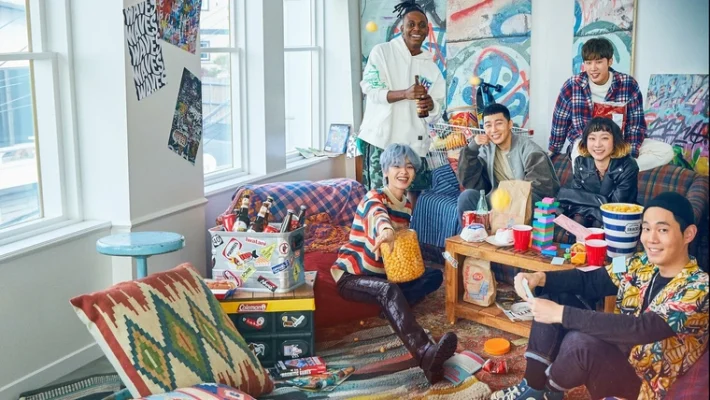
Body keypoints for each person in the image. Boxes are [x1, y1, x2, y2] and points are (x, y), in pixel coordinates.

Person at [491, 192, 709, 400]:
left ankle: (548, 390)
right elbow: (591, 280)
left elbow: (641, 328)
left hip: (650, 387)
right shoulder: (639, 263)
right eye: (646, 228)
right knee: (554, 297)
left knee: (580, 344)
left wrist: (561, 314)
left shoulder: (700, 288)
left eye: (662, 230)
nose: (651, 239)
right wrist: (539, 277)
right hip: (621, 357)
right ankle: (532, 387)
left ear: (688, 234)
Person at [331, 143, 457, 384]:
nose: (404, 171)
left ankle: (390, 308)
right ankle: (425, 353)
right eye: (397, 166)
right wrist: (386, 231)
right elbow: (379, 217)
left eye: (409, 167)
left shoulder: (406, 204)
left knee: (433, 276)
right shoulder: (374, 197)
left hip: (383, 274)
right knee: (389, 290)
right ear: (385, 171)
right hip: (353, 276)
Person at [358, 0, 445, 206]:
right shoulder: (382, 52)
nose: (416, 29)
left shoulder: (431, 67)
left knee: (415, 199)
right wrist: (405, 94)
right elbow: (371, 90)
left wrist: (431, 105)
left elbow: (437, 109)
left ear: (427, 30)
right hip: (382, 140)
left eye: (421, 25)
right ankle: (380, 227)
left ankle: (410, 227)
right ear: (401, 28)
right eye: (411, 24)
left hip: (414, 144)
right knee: (378, 199)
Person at [548, 38, 673, 171]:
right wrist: (553, 151)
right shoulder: (572, 85)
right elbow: (560, 121)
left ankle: (618, 170)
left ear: (610, 61)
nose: (593, 68)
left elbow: (636, 125)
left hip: (619, 142)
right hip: (587, 144)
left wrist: (629, 154)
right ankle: (607, 172)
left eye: (599, 62)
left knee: (666, 151)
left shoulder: (628, 84)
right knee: (579, 155)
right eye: (588, 63)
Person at [457, 103, 560, 218]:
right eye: (488, 125)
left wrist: (510, 198)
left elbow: (540, 188)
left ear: (510, 124)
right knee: (467, 196)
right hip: (498, 203)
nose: (493, 130)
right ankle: (476, 230)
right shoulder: (486, 149)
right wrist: (472, 148)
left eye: (499, 123)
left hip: (526, 203)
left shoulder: (531, 150)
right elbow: (469, 181)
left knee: (530, 199)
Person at [558, 116, 640, 230]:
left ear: (615, 141)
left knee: (598, 223)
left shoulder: (628, 165)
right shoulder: (581, 162)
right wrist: (600, 202)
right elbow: (576, 201)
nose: (597, 144)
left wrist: (589, 202)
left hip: (619, 219)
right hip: (587, 215)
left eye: (604, 138)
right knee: (578, 219)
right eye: (592, 138)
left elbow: (616, 206)